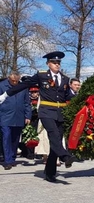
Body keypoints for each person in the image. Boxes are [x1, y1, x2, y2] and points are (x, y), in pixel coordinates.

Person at [0, 52, 76, 182]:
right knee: (54, 135)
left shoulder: (65, 78)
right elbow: (24, 85)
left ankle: (50, 172)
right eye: (54, 62)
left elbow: (67, 96)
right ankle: (65, 156)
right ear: (48, 64)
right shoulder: (41, 76)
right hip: (46, 111)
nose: (57, 65)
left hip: (60, 113)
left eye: (58, 63)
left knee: (54, 143)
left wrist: (81, 96)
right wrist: (6, 94)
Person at [0, 72, 32, 170]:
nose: (14, 83)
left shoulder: (23, 87)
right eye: (13, 81)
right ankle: (8, 160)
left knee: (15, 138)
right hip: (4, 116)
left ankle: (12, 157)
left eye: (16, 81)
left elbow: (27, 102)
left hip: (18, 116)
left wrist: (28, 116)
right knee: (6, 137)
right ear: (9, 79)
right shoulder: (1, 86)